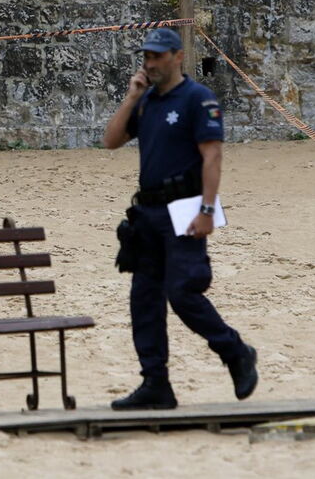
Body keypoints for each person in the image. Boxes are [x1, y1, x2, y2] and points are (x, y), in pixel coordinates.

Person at [102, 27, 258, 410]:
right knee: (144, 298)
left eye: (157, 56)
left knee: (183, 292)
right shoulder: (146, 100)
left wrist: (207, 209)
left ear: (177, 56)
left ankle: (235, 351)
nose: (150, 63)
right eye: (147, 57)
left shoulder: (197, 99)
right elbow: (110, 140)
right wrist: (131, 96)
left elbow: (213, 156)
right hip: (147, 212)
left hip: (185, 208)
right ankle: (156, 382)